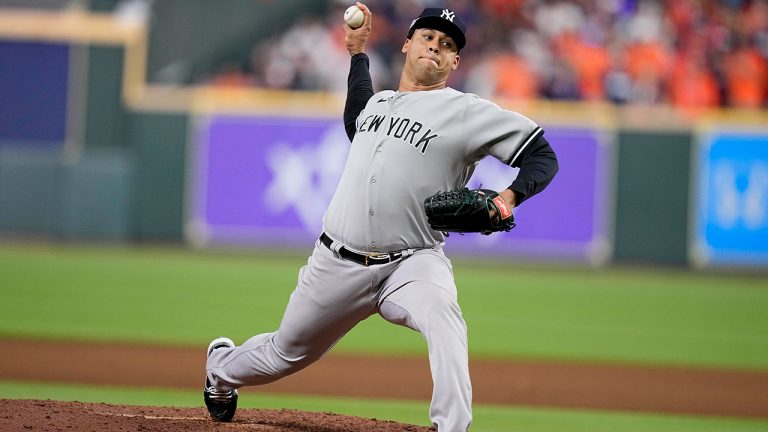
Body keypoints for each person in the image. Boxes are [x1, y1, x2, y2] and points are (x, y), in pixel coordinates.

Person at [203, 3, 559, 430]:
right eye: (428, 37)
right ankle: (220, 370)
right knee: (285, 352)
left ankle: (452, 427)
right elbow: (357, 118)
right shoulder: (381, 104)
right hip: (337, 263)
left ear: (455, 62)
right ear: (408, 44)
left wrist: (507, 199)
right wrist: (358, 55)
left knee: (443, 315)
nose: (436, 46)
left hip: (413, 262)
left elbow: (541, 156)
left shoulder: (467, 112)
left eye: (447, 45)